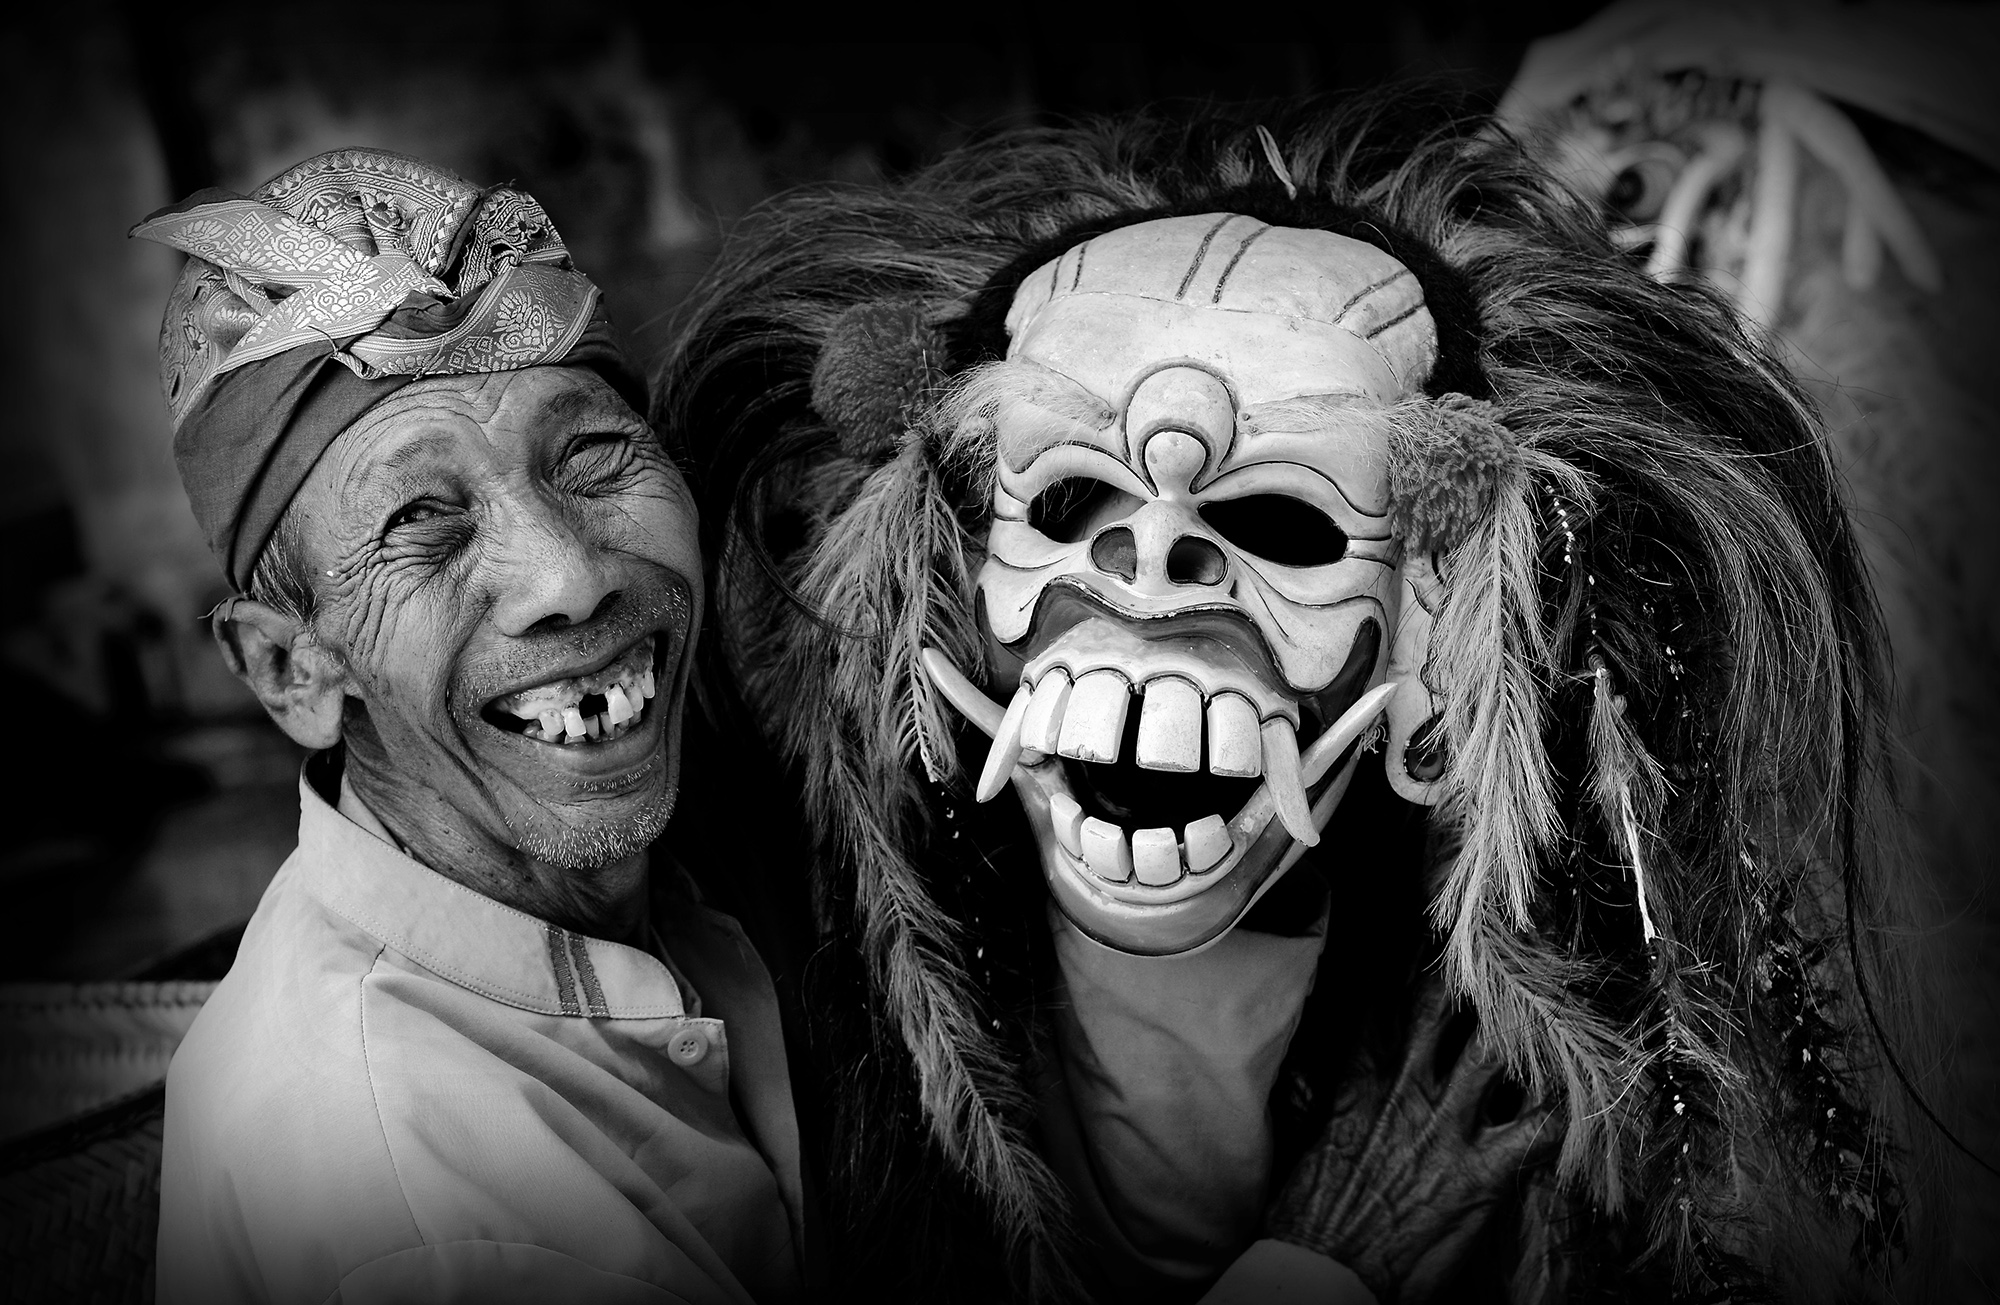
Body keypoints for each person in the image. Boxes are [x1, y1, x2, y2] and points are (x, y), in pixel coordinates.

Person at [658, 92, 1928, 1302]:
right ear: (941, 569)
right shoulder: (764, 986)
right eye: (1067, 499)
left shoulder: (1497, 1059)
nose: (1149, 562)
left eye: (1283, 519)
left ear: (1438, 652)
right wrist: (1320, 1268)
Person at [137, 148, 804, 1304]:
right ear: (292, 668)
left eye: (591, 455)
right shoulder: (435, 1213)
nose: (566, 578)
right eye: (421, 521)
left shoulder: (709, 849)